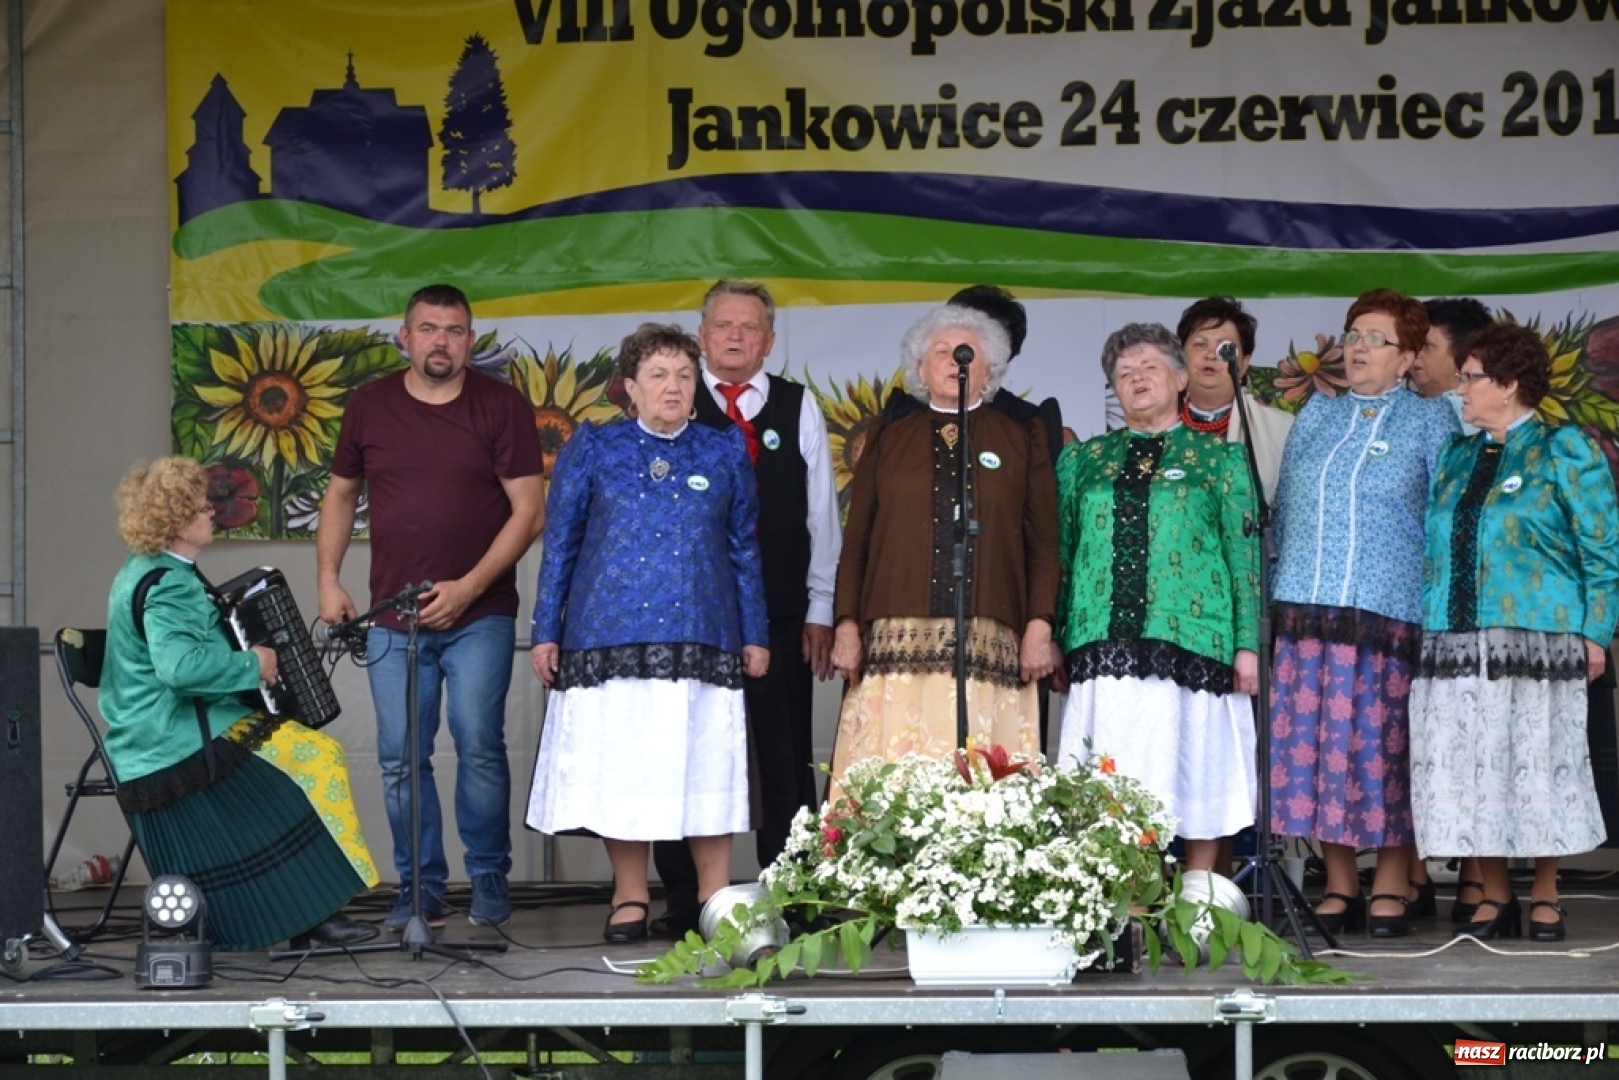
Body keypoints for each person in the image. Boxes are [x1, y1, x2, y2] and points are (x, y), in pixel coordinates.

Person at [527, 323, 769, 943]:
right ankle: (629, 895)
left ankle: (715, 896)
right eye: (658, 375)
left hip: (704, 631)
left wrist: (755, 632)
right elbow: (561, 544)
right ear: (630, 387)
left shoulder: (721, 450)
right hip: (606, 631)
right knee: (625, 765)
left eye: (685, 376)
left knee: (706, 763)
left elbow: (743, 548)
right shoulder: (596, 447)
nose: (673, 386)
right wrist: (546, 629)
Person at [317, 283, 545, 931]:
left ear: (469, 341)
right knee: (399, 756)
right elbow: (339, 496)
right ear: (404, 337)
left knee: (477, 744)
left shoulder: (500, 406)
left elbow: (529, 511)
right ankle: (419, 889)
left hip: (480, 613)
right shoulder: (369, 406)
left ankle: (488, 879)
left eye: (453, 330)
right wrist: (328, 580)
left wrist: (469, 587)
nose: (440, 340)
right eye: (428, 328)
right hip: (393, 616)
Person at [101, 457, 379, 951]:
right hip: (175, 737)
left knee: (302, 756)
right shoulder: (167, 586)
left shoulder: (148, 570)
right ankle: (318, 912)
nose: (212, 511)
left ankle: (308, 911)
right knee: (319, 758)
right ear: (174, 521)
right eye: (201, 506)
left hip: (162, 730)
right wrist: (253, 666)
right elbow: (179, 669)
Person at [1410, 323, 1619, 942]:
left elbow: (1603, 550)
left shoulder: (1564, 449)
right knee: (1475, 766)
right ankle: (1495, 893)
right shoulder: (1456, 454)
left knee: (1538, 765)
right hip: (1455, 640)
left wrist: (1596, 631)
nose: (1463, 390)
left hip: (1538, 639)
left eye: (1472, 378)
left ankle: (1547, 891)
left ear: (1508, 384)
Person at [649, 280, 841, 939]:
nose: (734, 336)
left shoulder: (795, 405)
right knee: (682, 749)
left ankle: (791, 891)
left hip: (782, 610)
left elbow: (821, 514)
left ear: (769, 340)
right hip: (689, 614)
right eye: (722, 325)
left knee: (781, 752)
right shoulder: (673, 394)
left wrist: (822, 606)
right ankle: (683, 898)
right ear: (701, 335)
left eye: (749, 327)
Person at [1270, 288, 1460, 938]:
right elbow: (1286, 513)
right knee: (1317, 752)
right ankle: (1341, 881)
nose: (1356, 348)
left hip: (1387, 615)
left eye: (1375, 338)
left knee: (1382, 750)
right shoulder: (1316, 417)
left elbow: (1444, 524)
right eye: (1352, 334)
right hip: (1305, 610)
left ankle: (1391, 881)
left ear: (1407, 356)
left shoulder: (1431, 422)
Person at [1055, 323, 1260, 871]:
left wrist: (1247, 646)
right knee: (1113, 774)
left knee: (1198, 765)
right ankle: (1128, 902)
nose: (1136, 379)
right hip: (1102, 638)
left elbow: (1243, 559)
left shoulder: (1221, 460)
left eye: (1148, 367)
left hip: (1197, 637)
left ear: (1180, 377)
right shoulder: (1082, 462)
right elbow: (1062, 551)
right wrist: (1054, 637)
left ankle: (1197, 894)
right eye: (1123, 374)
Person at [829, 304, 1059, 774]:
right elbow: (857, 541)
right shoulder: (887, 436)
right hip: (896, 636)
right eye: (943, 352)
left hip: (990, 637)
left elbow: (1043, 544)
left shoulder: (1021, 437)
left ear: (989, 369)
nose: (956, 362)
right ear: (919, 368)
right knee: (895, 772)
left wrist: (1040, 623)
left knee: (983, 778)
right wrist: (847, 623)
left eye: (968, 354)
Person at [1408, 295, 1494, 919]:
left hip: (1483, 612)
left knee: (1478, 744)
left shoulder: (1486, 431)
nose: (1414, 360)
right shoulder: (1409, 415)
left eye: (1428, 348)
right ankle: (1411, 872)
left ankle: (1476, 876)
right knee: (1416, 741)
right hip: (1416, 603)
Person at [880, 285, 1065, 464]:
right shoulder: (903, 413)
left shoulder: (1028, 423)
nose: (955, 355)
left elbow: (1042, 492)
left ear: (1000, 351)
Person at [1175, 296, 1294, 501]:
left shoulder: (1282, 429)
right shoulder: (1162, 427)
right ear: (1182, 357)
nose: (1211, 355)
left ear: (1244, 364)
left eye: (1225, 348)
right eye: (1200, 345)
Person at [1410, 297, 1494, 423]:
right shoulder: (1401, 407)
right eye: (1414, 344)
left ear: (1464, 354)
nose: (1416, 353)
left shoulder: (1485, 417)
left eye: (1427, 346)